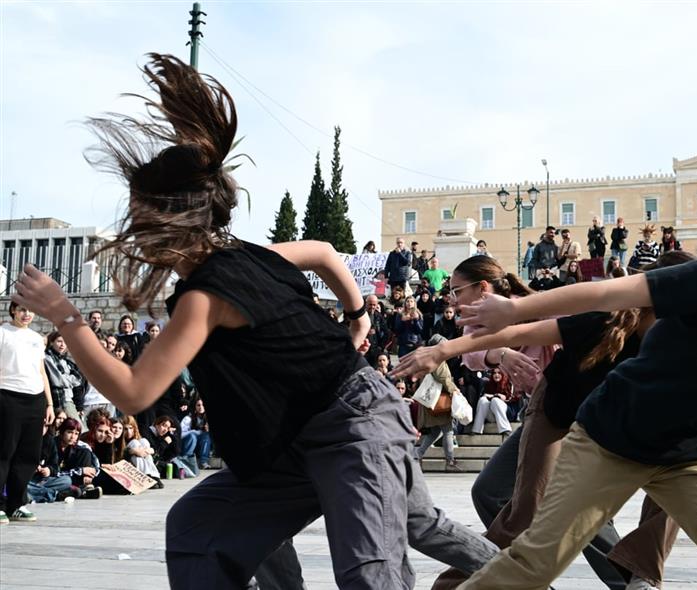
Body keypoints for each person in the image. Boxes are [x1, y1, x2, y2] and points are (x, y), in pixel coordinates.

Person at [12, 54, 416, 588]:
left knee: (371, 571)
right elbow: (321, 250)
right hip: (300, 431)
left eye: (139, 216)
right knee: (197, 524)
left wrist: (64, 314)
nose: (132, 229)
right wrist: (356, 314)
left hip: (353, 421)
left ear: (166, 220)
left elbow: (133, 391)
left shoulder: (207, 293)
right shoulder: (241, 257)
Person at [452, 213, 697, 589]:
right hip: (610, 438)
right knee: (537, 563)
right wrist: (515, 309)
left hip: (688, 452)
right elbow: (607, 292)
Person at [393, 252, 696, 590]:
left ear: (482, 287)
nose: (452, 299)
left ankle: (633, 579)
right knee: (496, 494)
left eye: (457, 291)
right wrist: (489, 353)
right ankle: (492, 577)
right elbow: (478, 350)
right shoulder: (596, 316)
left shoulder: (689, 334)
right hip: (557, 409)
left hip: (604, 419)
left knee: (622, 496)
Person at [0, 302, 54, 525]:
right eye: (22, 309)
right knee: (4, 452)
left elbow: (40, 371)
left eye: (31, 310)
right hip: (7, 396)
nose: (26, 314)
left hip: (35, 399)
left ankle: (16, 504)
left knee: (28, 455)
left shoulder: (36, 338)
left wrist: (49, 404)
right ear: (13, 310)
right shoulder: (3, 333)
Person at [414, 334, 462, 471]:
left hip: (432, 401)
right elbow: (443, 378)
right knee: (448, 431)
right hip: (439, 400)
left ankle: (417, 455)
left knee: (435, 432)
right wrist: (454, 390)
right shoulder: (438, 360)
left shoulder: (431, 358)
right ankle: (450, 461)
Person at [43, 331, 86, 426]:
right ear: (52, 342)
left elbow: (79, 380)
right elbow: (58, 380)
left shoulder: (67, 362)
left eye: (65, 342)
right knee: (77, 428)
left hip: (70, 399)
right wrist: (70, 380)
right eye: (59, 341)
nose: (62, 345)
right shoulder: (47, 358)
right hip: (59, 400)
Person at [471, 369, 515, 436]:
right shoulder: (489, 385)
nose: (496, 375)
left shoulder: (509, 384)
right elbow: (485, 395)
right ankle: (477, 429)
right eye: (494, 373)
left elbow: (509, 399)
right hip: (492, 414)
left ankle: (505, 429)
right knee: (483, 400)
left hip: (506, 413)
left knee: (495, 400)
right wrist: (495, 395)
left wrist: (495, 396)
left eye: (499, 373)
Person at [121, 415, 162, 486]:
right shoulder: (121, 440)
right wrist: (132, 451)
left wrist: (150, 450)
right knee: (134, 443)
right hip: (126, 464)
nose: (128, 432)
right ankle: (148, 476)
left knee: (144, 441)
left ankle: (153, 476)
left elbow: (152, 451)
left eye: (131, 428)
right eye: (125, 429)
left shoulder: (139, 439)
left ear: (134, 428)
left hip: (139, 463)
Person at [180, 396, 212, 470]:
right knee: (192, 436)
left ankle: (203, 462)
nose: (201, 407)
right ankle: (187, 460)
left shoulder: (207, 418)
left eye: (203, 405)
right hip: (188, 446)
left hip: (201, 448)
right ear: (194, 406)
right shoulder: (188, 418)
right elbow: (180, 434)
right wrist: (194, 432)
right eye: (198, 405)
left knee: (206, 436)